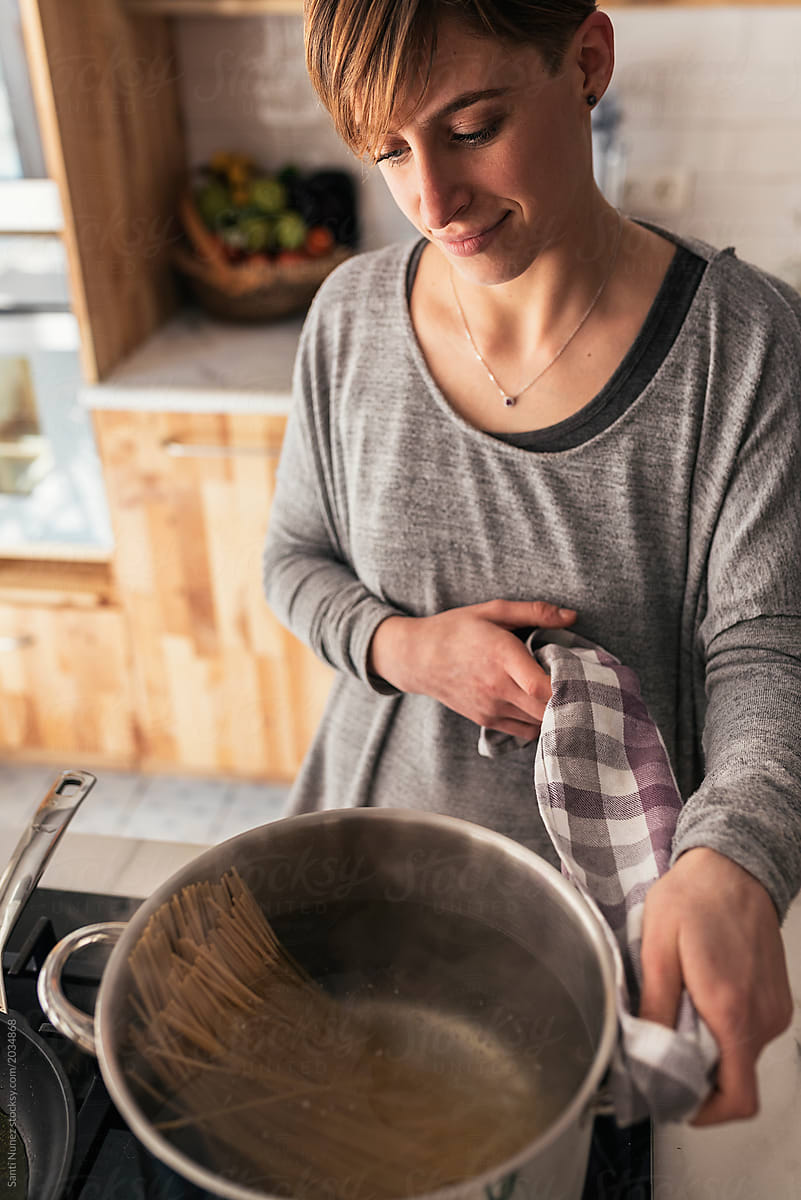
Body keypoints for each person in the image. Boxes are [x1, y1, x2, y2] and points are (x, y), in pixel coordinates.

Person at [263, 0, 801, 1125]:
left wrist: (736, 853)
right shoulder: (350, 317)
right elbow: (293, 561)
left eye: (472, 127)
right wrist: (404, 647)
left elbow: (767, 650)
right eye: (386, 151)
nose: (429, 200)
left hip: (596, 946)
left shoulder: (744, 351)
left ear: (588, 60)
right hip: (355, 888)